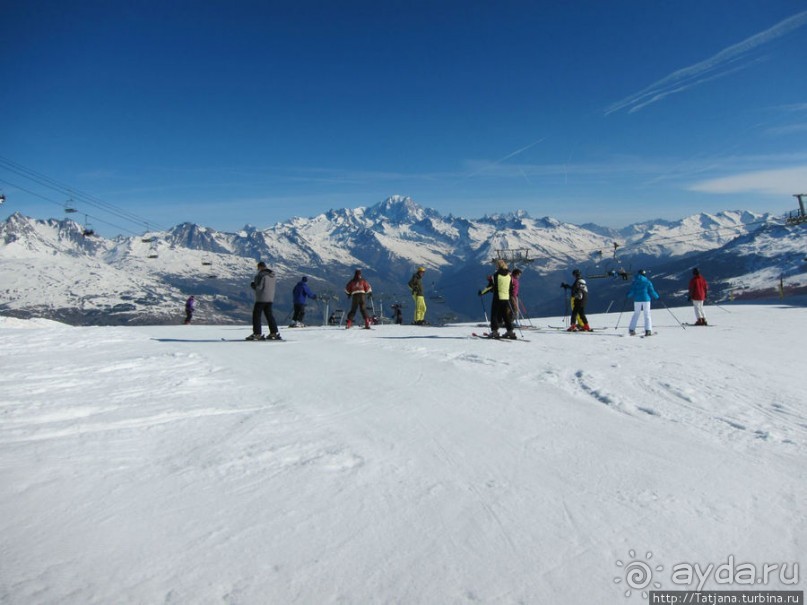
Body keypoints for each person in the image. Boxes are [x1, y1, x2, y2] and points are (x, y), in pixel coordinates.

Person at [478, 259, 516, 339]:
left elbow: (490, 287)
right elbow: (511, 288)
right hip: (506, 298)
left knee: (494, 315)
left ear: (498, 266)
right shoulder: (509, 276)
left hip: (498, 297)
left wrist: (482, 293)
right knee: (505, 315)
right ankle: (510, 331)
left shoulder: (495, 275)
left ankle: (495, 331)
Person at [247, 261, 281, 340]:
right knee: (269, 315)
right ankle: (274, 333)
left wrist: (253, 285)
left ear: (260, 267)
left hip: (261, 298)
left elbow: (259, 288)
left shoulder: (261, 275)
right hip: (270, 298)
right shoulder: (272, 275)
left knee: (256, 315)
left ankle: (257, 334)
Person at [627, 269, 660, 336]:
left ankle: (631, 329)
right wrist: (657, 297)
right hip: (646, 300)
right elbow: (651, 291)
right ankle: (648, 330)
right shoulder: (647, 282)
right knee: (647, 314)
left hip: (637, 300)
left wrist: (628, 295)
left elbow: (632, 291)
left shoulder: (635, 282)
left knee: (636, 314)